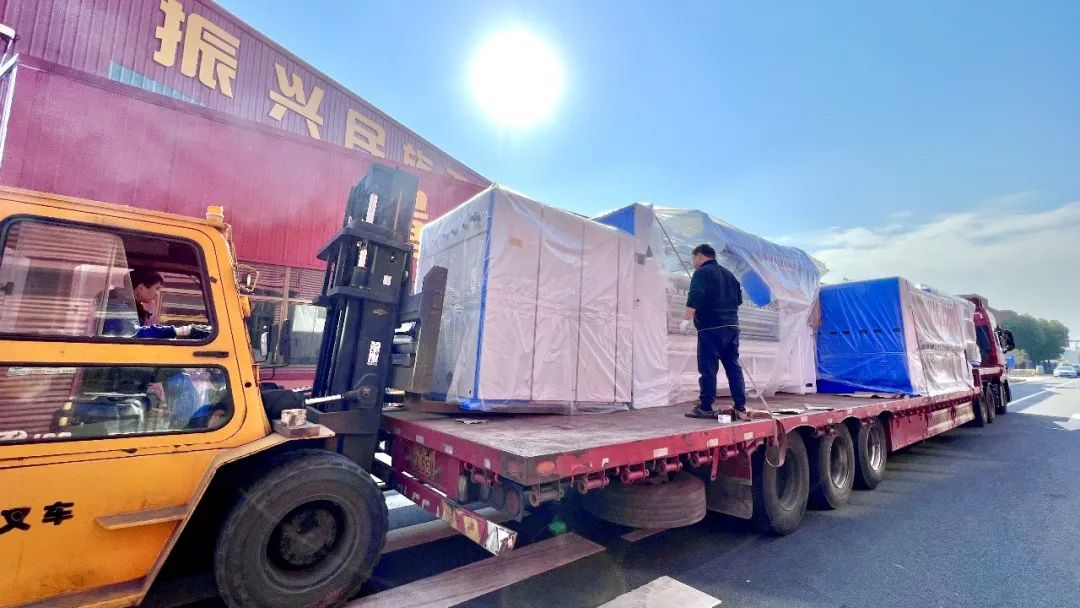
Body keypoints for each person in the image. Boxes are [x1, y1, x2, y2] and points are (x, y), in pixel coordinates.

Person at [681, 244, 749, 421]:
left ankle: (705, 407)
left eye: (693, 258)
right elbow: (739, 300)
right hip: (732, 328)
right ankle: (740, 407)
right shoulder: (730, 275)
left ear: (699, 256)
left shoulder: (701, 273)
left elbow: (695, 296)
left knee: (708, 369)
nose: (693, 262)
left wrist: (686, 319)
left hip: (710, 328)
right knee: (733, 367)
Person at [101, 268, 212, 340]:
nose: (157, 294)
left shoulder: (125, 304)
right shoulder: (115, 305)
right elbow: (134, 334)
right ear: (141, 288)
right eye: (157, 288)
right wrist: (182, 330)